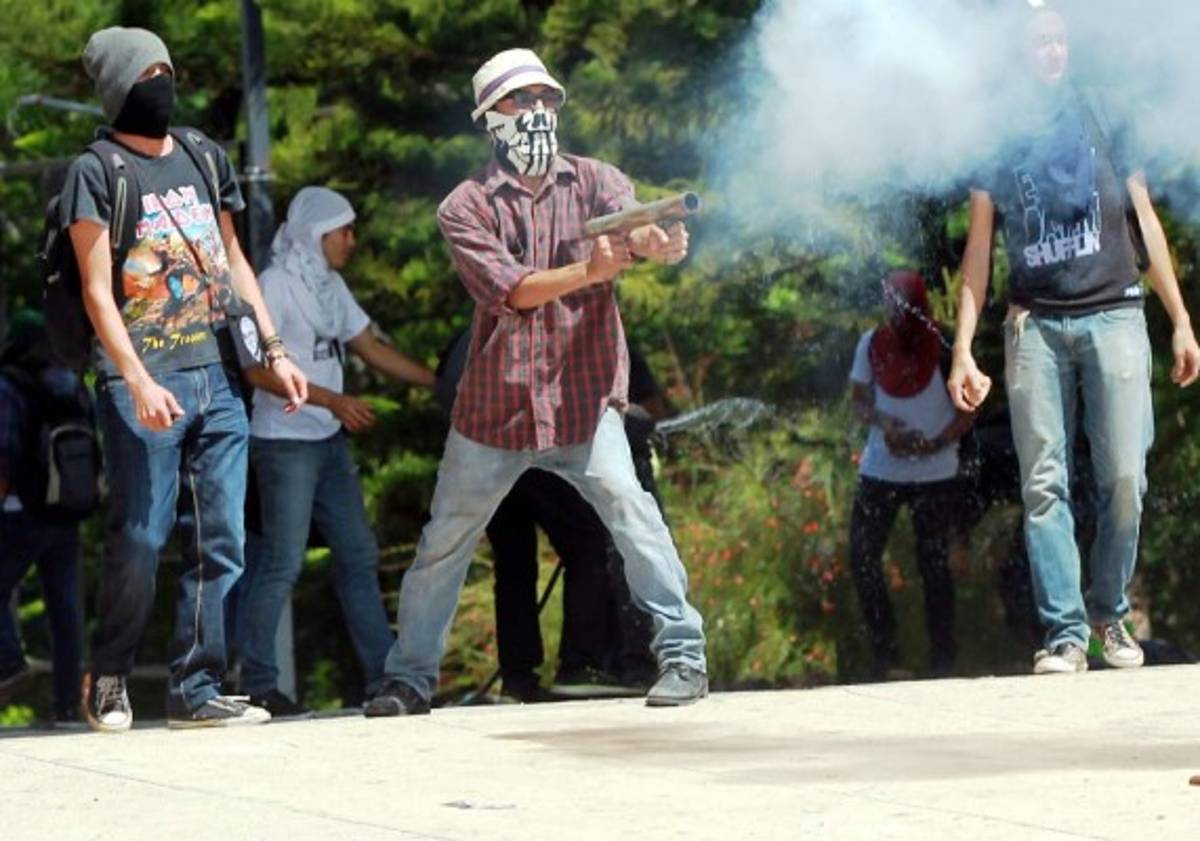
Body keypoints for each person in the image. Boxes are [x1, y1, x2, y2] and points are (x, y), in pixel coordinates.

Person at [364, 48, 707, 716]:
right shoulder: (463, 206)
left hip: (583, 400)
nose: (540, 110)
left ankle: (685, 655)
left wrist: (657, 244)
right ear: (491, 117)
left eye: (548, 98)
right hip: (495, 411)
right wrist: (591, 270)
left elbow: (635, 225)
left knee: (632, 512)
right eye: (523, 100)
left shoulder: (596, 180)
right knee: (444, 542)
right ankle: (409, 677)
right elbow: (514, 290)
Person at [63, 27, 307, 731]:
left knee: (221, 536)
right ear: (118, 87)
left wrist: (275, 348)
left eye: (168, 67)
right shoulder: (96, 170)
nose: (162, 81)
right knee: (141, 535)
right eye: (148, 72)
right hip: (141, 382)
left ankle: (196, 687)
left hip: (219, 376)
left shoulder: (203, 154)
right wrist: (134, 378)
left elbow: (234, 260)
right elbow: (96, 291)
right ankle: (109, 675)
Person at [947, 5, 1200, 675]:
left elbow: (1144, 220)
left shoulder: (1105, 114)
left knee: (1125, 475)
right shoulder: (996, 137)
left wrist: (1178, 318)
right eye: (1038, 42)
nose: (1050, 52)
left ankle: (1108, 613)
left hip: (1115, 311)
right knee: (1045, 481)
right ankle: (1064, 632)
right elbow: (979, 248)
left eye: (1058, 40)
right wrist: (963, 348)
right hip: (1035, 323)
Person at [237, 186, 435, 718]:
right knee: (281, 561)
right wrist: (332, 399)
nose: (352, 240)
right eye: (343, 231)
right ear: (314, 234)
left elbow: (370, 347)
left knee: (357, 553)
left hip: (327, 439)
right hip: (284, 443)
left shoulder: (331, 285)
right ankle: (256, 683)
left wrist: (440, 384)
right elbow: (256, 370)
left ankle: (383, 679)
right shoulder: (274, 285)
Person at [848, 271, 975, 680]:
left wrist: (936, 442)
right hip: (882, 468)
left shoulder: (944, 346)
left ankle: (944, 659)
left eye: (901, 301)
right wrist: (886, 426)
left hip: (936, 472)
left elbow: (969, 409)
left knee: (933, 565)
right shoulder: (871, 344)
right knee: (862, 555)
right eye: (889, 300)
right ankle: (887, 656)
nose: (894, 310)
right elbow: (859, 400)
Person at [0, 311, 88, 723]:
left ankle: (11, 663)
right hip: (66, 512)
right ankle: (69, 703)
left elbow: (5, 448)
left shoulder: (7, 384)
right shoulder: (69, 383)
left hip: (19, 512)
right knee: (65, 612)